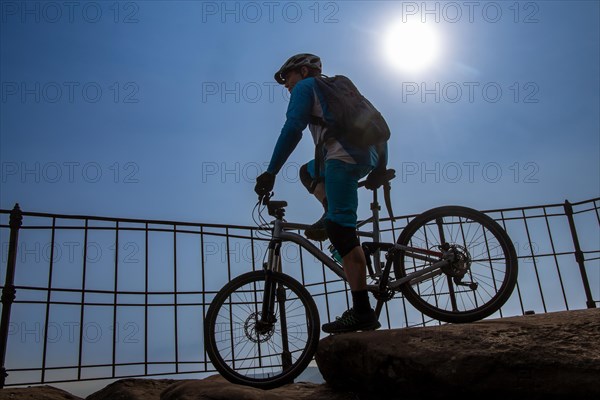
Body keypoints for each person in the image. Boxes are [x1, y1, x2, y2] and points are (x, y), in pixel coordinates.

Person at [254, 53, 388, 334]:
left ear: (303, 71)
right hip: (368, 155)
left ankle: (362, 312)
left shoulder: (306, 87)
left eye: (288, 78)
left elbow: (293, 128)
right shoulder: (342, 87)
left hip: (342, 157)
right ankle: (331, 213)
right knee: (308, 171)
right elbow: (375, 123)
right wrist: (379, 167)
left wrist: (271, 172)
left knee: (342, 231)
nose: (286, 86)